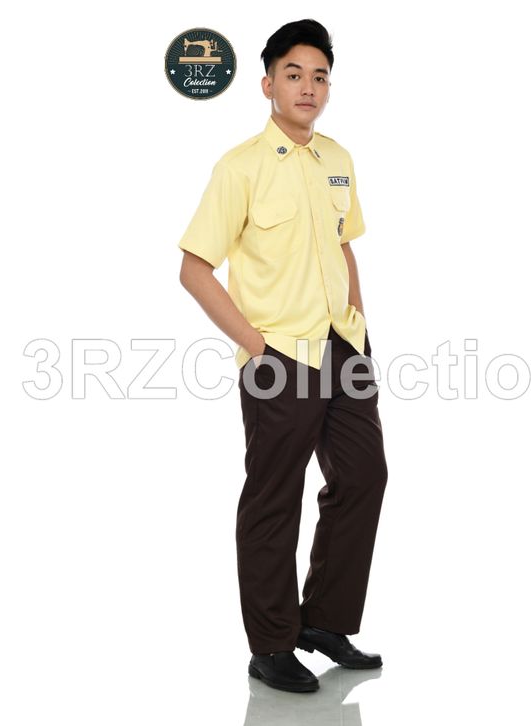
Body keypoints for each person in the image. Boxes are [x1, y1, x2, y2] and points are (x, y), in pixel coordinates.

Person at [177, 19, 388, 694]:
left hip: (343, 346)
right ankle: (270, 645)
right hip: (278, 357)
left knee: (364, 476)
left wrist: (360, 328)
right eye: (293, 74)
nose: (308, 87)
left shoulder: (337, 159)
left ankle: (322, 621)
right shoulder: (239, 167)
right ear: (267, 84)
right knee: (274, 498)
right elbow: (194, 268)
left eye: (320, 76)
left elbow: (344, 245)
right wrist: (254, 346)